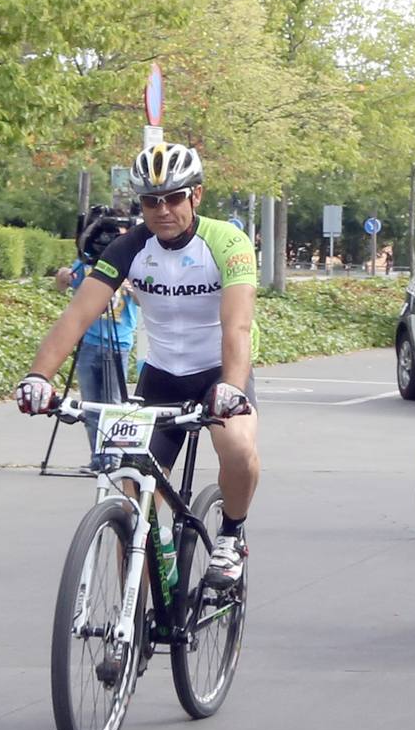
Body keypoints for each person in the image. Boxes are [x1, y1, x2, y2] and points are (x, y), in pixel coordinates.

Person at [14, 142, 261, 588]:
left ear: (196, 196)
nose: (162, 210)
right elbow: (77, 315)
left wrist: (232, 386)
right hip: (162, 374)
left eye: (173, 198)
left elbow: (237, 327)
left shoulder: (227, 242)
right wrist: (38, 376)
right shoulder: (129, 247)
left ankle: (231, 534)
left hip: (219, 373)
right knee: (133, 508)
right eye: (151, 200)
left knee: (238, 447)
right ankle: (134, 627)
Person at [54, 210, 141, 468]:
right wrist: (62, 277)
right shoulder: (89, 263)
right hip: (88, 343)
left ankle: (113, 457)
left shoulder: (132, 265)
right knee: (91, 405)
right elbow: (62, 285)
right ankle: (98, 457)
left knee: (114, 403)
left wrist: (131, 288)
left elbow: (142, 301)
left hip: (119, 344)